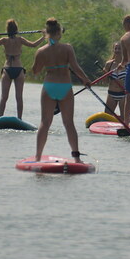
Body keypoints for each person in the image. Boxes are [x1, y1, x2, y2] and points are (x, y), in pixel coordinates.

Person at [31, 18, 92, 162]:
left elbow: (35, 71)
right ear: (59, 32)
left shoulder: (41, 51)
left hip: (49, 86)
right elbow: (76, 67)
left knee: (45, 123)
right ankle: (76, 158)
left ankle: (38, 157)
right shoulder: (67, 48)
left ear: (46, 33)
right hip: (65, 86)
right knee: (68, 123)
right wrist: (86, 80)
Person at [0, 19, 44, 117]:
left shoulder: (4, 40)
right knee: (19, 97)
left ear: (7, 29)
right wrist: (43, 36)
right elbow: (34, 44)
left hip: (7, 69)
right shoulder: (20, 39)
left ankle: (0, 117)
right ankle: (19, 118)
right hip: (19, 70)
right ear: (16, 29)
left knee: (4, 97)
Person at [101, 41, 127, 120]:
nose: (117, 50)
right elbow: (105, 82)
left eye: (119, 48)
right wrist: (105, 75)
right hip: (111, 93)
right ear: (113, 50)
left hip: (123, 94)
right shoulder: (109, 64)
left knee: (124, 118)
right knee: (106, 117)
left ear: (123, 50)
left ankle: (126, 121)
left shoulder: (127, 64)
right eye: (116, 48)